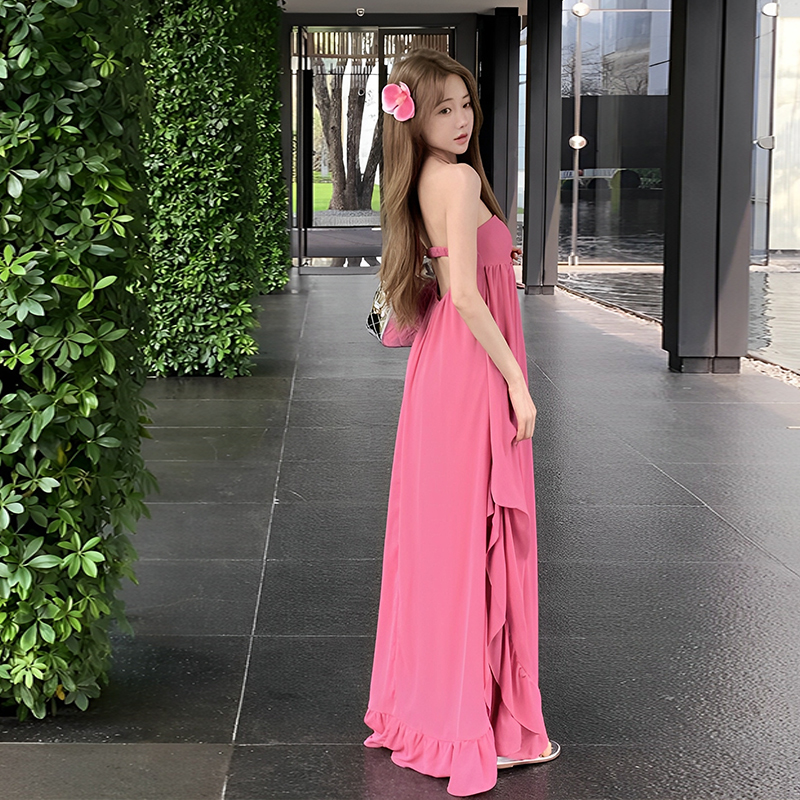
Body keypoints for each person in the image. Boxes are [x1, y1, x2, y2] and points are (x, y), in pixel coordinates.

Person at [363, 48, 560, 797]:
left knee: (443, 546)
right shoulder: (461, 179)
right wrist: (518, 382)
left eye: (466, 104)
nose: (461, 119)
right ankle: (480, 724)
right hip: (473, 370)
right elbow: (469, 297)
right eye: (443, 108)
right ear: (414, 119)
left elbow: (451, 285)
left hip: (438, 373)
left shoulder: (423, 180)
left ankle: (439, 712)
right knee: (478, 540)